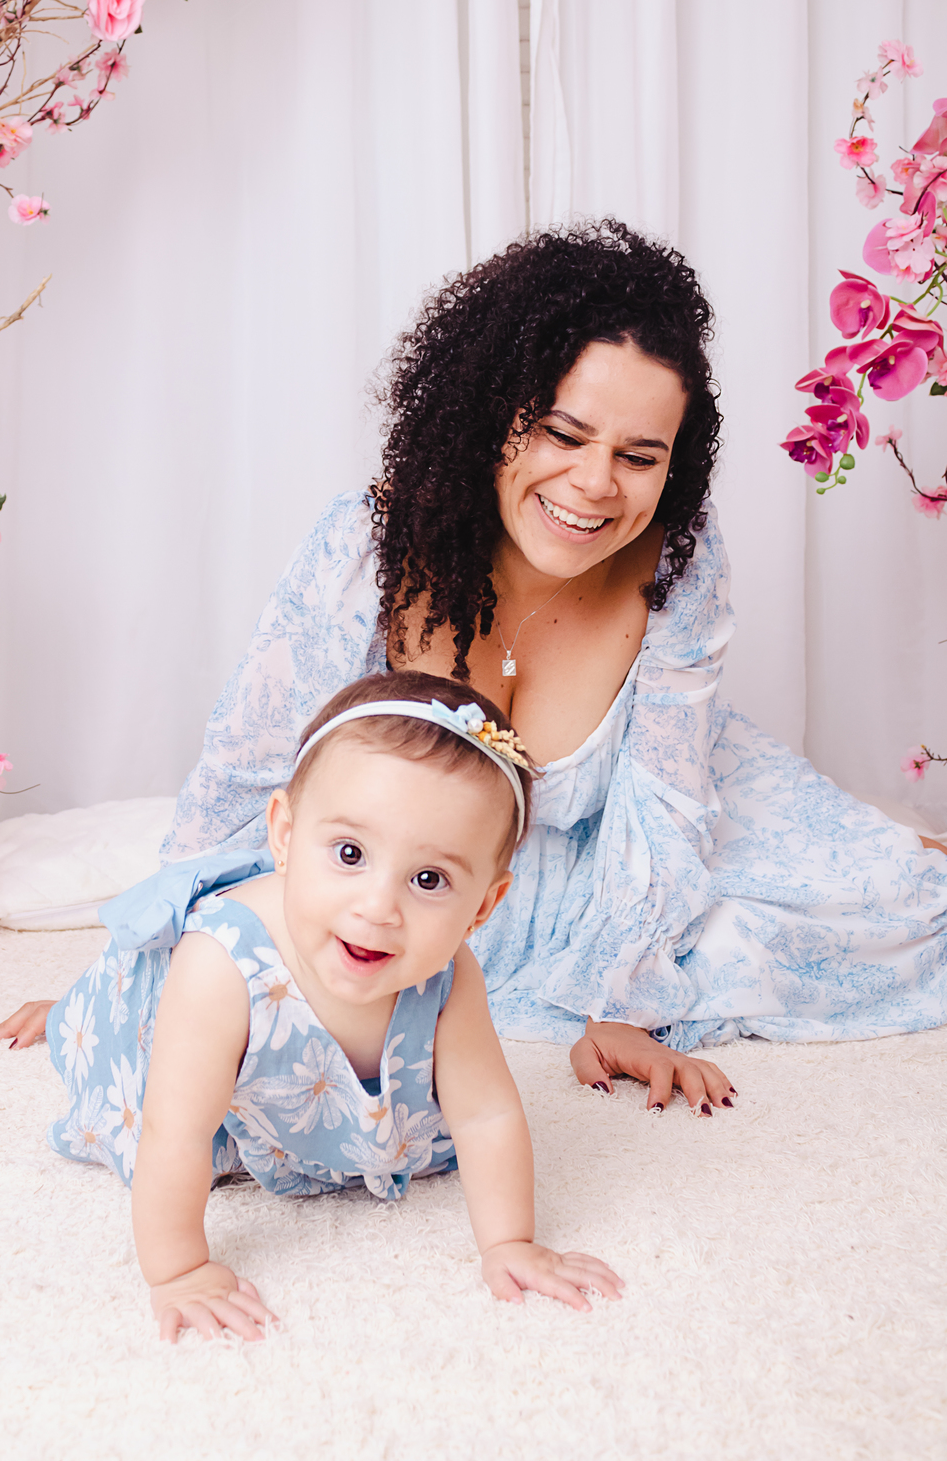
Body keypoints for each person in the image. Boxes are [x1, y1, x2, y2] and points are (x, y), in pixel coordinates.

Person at [146, 219, 947, 1104]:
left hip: (632, 818)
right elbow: (247, 772)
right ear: (490, 412)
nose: (596, 483)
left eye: (638, 456)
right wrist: (152, 966)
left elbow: (668, 803)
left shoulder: (676, 560)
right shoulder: (364, 548)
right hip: (444, 873)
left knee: (904, 896)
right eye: (563, 435)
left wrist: (623, 1004)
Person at [0, 672, 624, 1342]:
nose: (378, 907)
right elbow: (174, 1133)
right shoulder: (220, 965)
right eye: (350, 854)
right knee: (109, 1030)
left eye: (429, 879)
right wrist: (178, 1271)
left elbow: (486, 1114)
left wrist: (510, 1242)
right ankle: (62, 1009)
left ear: (483, 907)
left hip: (290, 1077)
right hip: (175, 1027)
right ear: (286, 836)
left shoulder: (448, 976)